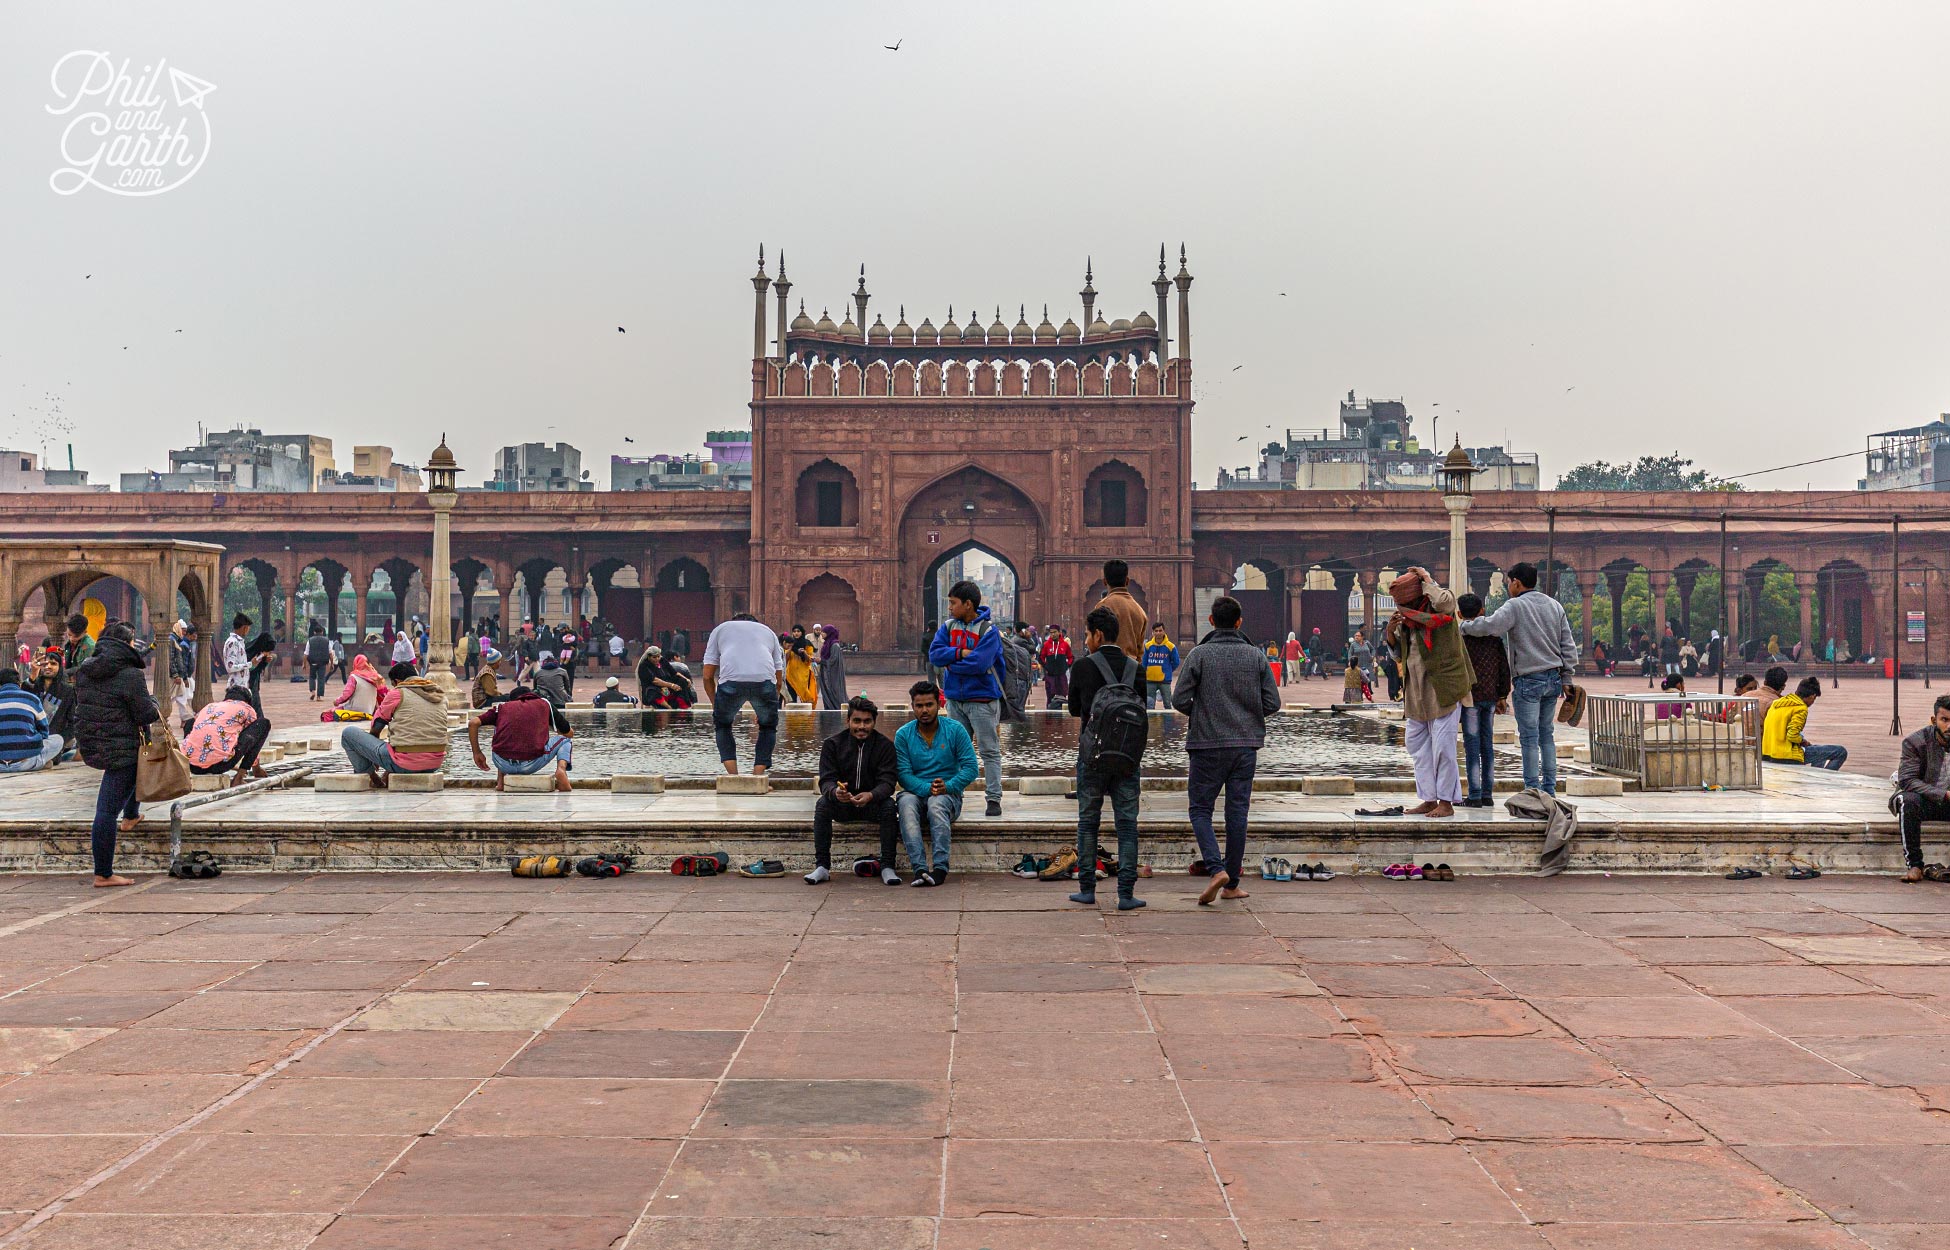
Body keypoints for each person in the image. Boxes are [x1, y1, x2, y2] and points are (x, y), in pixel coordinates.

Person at [1171, 595, 1280, 905]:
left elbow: (1179, 700)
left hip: (1206, 744)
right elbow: (1273, 702)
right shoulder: (1255, 657)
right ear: (1239, 622)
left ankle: (1215, 868)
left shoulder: (1199, 654)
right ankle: (1231, 882)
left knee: (1200, 809)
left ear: (1211, 622)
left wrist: (1203, 712)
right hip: (1245, 746)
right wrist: (1247, 718)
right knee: (1237, 813)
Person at [1457, 561, 1580, 797]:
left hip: (1529, 679)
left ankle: (1532, 790)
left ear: (1516, 582)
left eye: (1508, 583)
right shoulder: (1555, 606)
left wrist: (1464, 627)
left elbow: (1491, 626)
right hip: (1553, 678)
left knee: (1529, 737)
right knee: (1547, 735)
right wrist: (1567, 678)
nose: (1508, 587)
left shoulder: (1515, 606)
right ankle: (1550, 790)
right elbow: (1568, 645)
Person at [1069, 605, 1148, 909]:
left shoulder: (1082, 666)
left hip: (1093, 756)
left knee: (1088, 823)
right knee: (1127, 825)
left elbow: (1076, 710)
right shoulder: (1135, 668)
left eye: (1087, 635)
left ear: (1098, 635)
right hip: (1128, 760)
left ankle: (1087, 889)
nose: (1086, 640)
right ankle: (1126, 894)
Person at [70, 623, 157, 887]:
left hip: (95, 741)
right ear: (127, 644)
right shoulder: (130, 674)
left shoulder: (86, 670)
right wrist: (153, 703)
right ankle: (103, 873)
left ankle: (131, 815)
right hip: (123, 746)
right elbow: (145, 714)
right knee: (106, 811)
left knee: (127, 780)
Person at [1386, 568, 1474, 818]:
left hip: (1443, 688)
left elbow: (1447, 601)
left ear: (1416, 595)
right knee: (1417, 746)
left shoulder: (1439, 608)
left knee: (1443, 748)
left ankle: (1446, 801)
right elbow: (1397, 654)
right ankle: (1428, 798)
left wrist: (1426, 579)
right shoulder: (1405, 619)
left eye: (1404, 601)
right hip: (1416, 692)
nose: (1401, 607)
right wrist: (1390, 634)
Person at [927, 580, 1007, 817]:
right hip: (955, 700)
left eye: (953, 603)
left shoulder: (988, 631)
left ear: (968, 604)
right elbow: (934, 655)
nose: (950, 608)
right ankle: (953, 796)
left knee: (989, 751)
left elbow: (980, 663)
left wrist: (951, 664)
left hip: (982, 700)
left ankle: (993, 799)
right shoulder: (949, 627)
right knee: (954, 752)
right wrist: (960, 653)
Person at [808, 694, 903, 885]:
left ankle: (887, 866)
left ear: (874, 722)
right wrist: (836, 792)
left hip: (872, 805)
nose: (862, 727)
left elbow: (888, 783)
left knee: (889, 806)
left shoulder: (885, 746)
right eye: (857, 721)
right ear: (848, 720)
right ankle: (822, 867)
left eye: (867, 721)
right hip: (843, 805)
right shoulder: (832, 745)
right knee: (822, 804)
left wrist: (871, 795)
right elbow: (826, 780)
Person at [893, 680, 976, 887]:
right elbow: (903, 774)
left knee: (936, 804)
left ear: (939, 705)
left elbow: (971, 768)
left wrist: (947, 786)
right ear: (912, 706)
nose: (924, 710)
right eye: (919, 706)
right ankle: (919, 869)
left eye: (929, 704)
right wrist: (927, 788)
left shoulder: (955, 730)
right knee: (905, 803)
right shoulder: (903, 734)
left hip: (948, 795)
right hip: (915, 792)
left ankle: (940, 868)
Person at [339, 661, 451, 786]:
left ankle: (372, 778)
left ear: (397, 681)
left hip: (405, 763)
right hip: (435, 762)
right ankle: (387, 771)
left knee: (348, 734)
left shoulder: (398, 693)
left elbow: (376, 727)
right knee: (402, 742)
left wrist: (372, 757)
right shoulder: (441, 696)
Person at [702, 612, 785, 775]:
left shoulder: (721, 629)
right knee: (768, 727)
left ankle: (733, 777)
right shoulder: (768, 631)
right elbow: (779, 679)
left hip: (731, 681)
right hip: (764, 681)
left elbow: (707, 675)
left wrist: (715, 704)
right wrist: (766, 709)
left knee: (723, 726)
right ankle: (757, 776)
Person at [1455, 593, 1511, 810]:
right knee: (1487, 746)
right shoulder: (1494, 639)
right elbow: (1503, 668)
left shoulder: (1461, 640)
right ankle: (1487, 794)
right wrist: (1502, 695)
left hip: (1469, 699)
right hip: (1489, 697)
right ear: (1482, 612)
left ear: (1459, 614)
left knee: (1472, 745)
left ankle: (1475, 795)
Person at [469, 682, 573, 791]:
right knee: (565, 740)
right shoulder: (544, 704)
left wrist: (477, 752)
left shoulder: (501, 708)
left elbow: (473, 723)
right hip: (531, 763)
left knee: (501, 728)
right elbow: (569, 733)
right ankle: (561, 770)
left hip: (502, 763)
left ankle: (501, 782)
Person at [1894, 695, 1950, 883]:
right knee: (1907, 800)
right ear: (1934, 720)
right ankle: (1915, 865)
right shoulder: (1915, 742)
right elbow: (1907, 780)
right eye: (1945, 720)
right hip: (1925, 801)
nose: (1949, 726)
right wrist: (1943, 794)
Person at [184, 683, 271, 782]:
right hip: (220, 765)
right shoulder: (247, 709)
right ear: (247, 701)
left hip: (193, 766)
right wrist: (256, 768)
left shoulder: (210, 706)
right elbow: (252, 739)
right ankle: (239, 777)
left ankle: (187, 760)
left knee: (191, 722)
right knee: (263, 724)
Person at [1764, 676, 1847, 770]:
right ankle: (1826, 778)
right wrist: (1802, 741)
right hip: (1787, 755)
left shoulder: (1777, 704)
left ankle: (1816, 776)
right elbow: (1792, 736)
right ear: (1812, 696)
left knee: (1817, 751)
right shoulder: (1801, 708)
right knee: (1840, 751)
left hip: (1769, 753)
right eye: (1814, 699)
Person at [0, 667, 64, 774]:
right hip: (25, 762)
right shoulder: (32, 699)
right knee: (58, 739)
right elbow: (44, 733)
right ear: (19, 684)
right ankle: (40, 762)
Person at [1094, 560, 1150, 659]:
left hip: (1106, 667)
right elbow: (1140, 651)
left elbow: (1095, 643)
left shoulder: (1102, 606)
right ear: (1127, 581)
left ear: (1104, 581)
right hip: (1131, 668)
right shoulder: (1139, 611)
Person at [331, 653, 385, 720]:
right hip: (369, 712)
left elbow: (346, 695)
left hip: (354, 711)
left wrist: (336, 702)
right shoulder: (375, 677)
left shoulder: (354, 677)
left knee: (328, 714)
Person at [1141, 624, 1179, 710]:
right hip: (1150, 680)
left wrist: (1168, 670)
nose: (1158, 633)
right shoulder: (1147, 646)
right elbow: (1144, 663)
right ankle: (1150, 723)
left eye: (1160, 630)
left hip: (1164, 681)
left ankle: (1168, 723)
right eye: (1156, 631)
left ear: (1164, 631)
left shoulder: (1170, 646)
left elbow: (1176, 662)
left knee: (1167, 704)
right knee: (1149, 705)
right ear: (1153, 632)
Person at [816, 624, 850, 709]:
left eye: (824, 632)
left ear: (829, 633)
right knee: (827, 692)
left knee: (835, 692)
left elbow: (833, 661)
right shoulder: (827, 644)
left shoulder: (835, 645)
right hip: (826, 673)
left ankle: (838, 710)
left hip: (833, 675)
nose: (821, 633)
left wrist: (821, 661)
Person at [1039, 625, 1073, 709]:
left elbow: (1071, 657)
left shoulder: (1065, 645)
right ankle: (1049, 717)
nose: (1053, 634)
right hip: (1050, 676)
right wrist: (1046, 667)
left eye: (1054, 632)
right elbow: (1041, 657)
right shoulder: (1046, 645)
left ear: (1059, 632)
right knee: (1050, 697)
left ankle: (1062, 719)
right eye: (1051, 633)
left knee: (1062, 697)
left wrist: (1066, 666)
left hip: (1061, 675)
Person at [782, 626, 818, 704]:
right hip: (791, 674)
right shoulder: (790, 643)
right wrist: (791, 648)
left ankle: (806, 715)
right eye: (794, 631)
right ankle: (792, 716)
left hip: (803, 675)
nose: (796, 633)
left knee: (805, 698)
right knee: (792, 699)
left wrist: (804, 652)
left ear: (802, 632)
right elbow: (785, 659)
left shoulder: (807, 643)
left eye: (798, 631)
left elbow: (809, 660)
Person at [304, 620, 332, 701]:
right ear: (322, 632)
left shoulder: (310, 640)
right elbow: (330, 653)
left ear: (314, 632)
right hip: (323, 662)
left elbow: (306, 653)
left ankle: (313, 691)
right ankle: (319, 696)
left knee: (312, 677)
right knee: (321, 678)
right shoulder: (326, 641)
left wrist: (304, 664)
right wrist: (332, 663)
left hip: (312, 662)